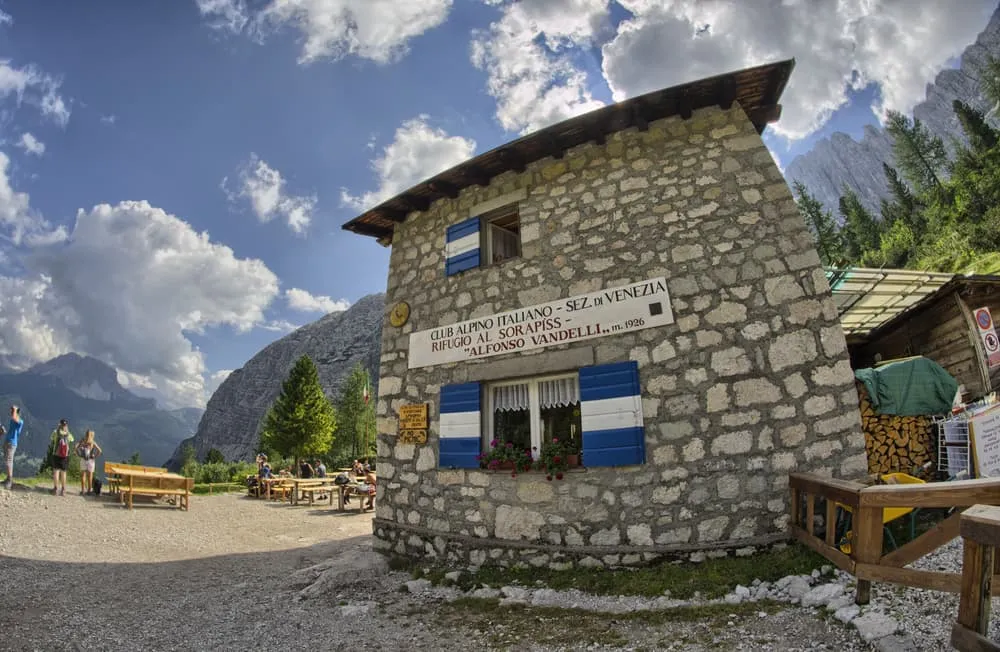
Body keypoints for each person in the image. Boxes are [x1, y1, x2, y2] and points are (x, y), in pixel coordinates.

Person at [50, 419, 74, 496]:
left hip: (56, 454)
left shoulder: (55, 432)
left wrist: (58, 429)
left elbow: (52, 439)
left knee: (56, 471)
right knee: (63, 472)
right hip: (65, 456)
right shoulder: (69, 434)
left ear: (59, 424)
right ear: (66, 425)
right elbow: (72, 440)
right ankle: (63, 490)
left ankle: (55, 489)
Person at [75, 430, 102, 495]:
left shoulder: (82, 441)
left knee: (83, 475)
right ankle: (89, 491)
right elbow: (100, 451)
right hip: (91, 460)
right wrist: (95, 456)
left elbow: (76, 447)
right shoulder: (92, 442)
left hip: (83, 459)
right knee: (90, 476)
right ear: (92, 435)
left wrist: (78, 454)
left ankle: (83, 490)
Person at [3, 405, 23, 490]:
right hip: (8, 441)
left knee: (9, 461)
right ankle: (8, 478)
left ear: (16, 412)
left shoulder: (20, 421)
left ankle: (10, 481)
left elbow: (16, 419)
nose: (11, 413)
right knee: (7, 460)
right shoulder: (12, 420)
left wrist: (15, 409)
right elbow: (11, 431)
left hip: (12, 443)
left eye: (12, 411)